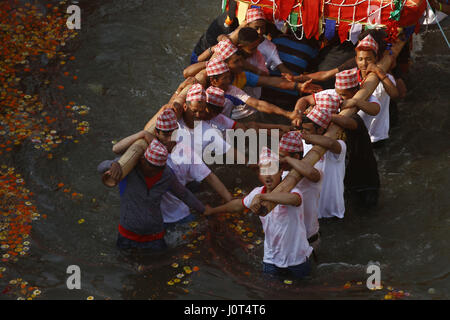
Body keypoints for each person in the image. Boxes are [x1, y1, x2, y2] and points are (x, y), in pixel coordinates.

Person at [111, 108, 233, 228]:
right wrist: (142, 134)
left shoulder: (185, 152)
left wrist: (230, 201)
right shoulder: (147, 150)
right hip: (153, 216)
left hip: (179, 213)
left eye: (173, 134)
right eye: (165, 135)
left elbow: (210, 177)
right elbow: (116, 149)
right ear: (157, 133)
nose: (170, 139)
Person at [204, 147, 313, 280]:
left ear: (280, 171)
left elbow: (295, 200)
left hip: (297, 257)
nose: (268, 176)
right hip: (271, 258)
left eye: (272, 170)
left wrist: (264, 198)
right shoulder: (257, 192)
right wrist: (213, 210)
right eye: (264, 171)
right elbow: (238, 205)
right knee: (268, 291)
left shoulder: (291, 191)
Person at [98, 139, 205, 250]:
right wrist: (112, 164)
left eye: (158, 169)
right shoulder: (128, 168)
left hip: (155, 236)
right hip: (127, 234)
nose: (153, 172)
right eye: (151, 167)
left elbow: (184, 194)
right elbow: (100, 167)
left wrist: (204, 210)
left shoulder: (166, 175)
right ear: (143, 160)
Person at [278, 131, 322, 252]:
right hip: (289, 238)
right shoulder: (283, 172)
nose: (279, 160)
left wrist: (286, 159)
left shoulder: (314, 170)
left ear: (296, 157)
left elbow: (312, 174)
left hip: (309, 238)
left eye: (282, 156)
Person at [301, 103, 347, 219]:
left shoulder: (339, 145)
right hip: (312, 212)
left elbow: (330, 143)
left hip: (332, 212)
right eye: (303, 130)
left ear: (321, 129)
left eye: (308, 130)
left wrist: (306, 137)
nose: (304, 133)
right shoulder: (302, 144)